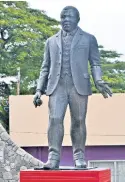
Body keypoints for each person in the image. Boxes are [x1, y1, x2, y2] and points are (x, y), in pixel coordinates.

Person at [33, 6, 112, 169]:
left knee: (78, 121)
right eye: (63, 17)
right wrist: (39, 90)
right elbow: (45, 67)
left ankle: (79, 157)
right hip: (57, 87)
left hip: (79, 87)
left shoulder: (89, 39)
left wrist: (98, 80)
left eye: (69, 17)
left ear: (77, 19)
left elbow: (95, 63)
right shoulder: (51, 41)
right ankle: (53, 158)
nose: (66, 20)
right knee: (54, 120)